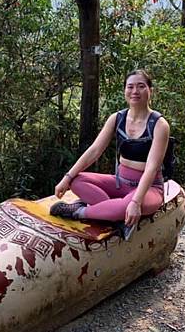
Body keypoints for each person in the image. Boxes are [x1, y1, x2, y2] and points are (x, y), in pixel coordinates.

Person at [50, 69, 170, 239]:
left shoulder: (159, 124)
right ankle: (111, 213)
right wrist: (67, 177)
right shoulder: (117, 118)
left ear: (151, 90)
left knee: (126, 206)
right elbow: (94, 150)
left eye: (141, 86)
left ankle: (79, 212)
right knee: (77, 180)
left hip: (148, 189)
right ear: (125, 91)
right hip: (120, 184)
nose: (135, 91)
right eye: (130, 87)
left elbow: (152, 167)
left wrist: (135, 202)